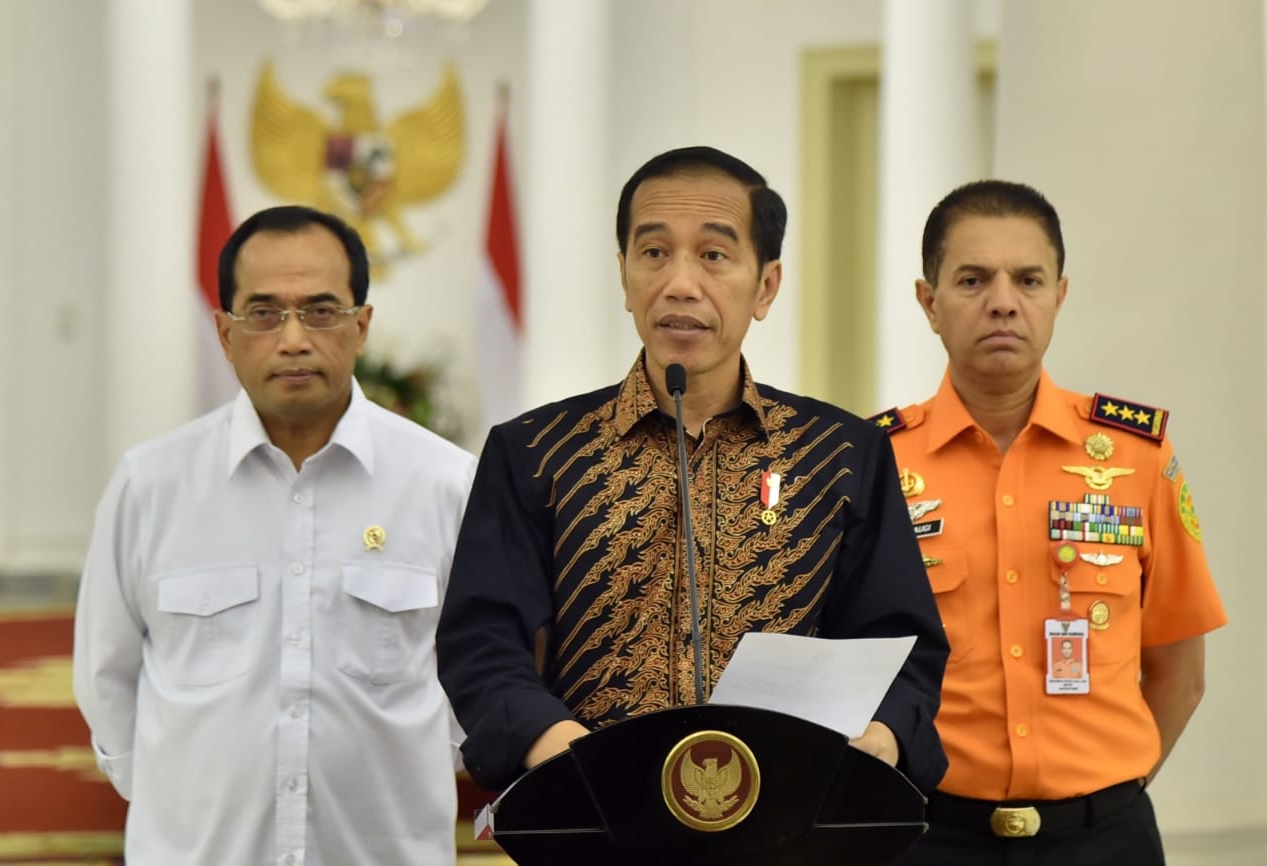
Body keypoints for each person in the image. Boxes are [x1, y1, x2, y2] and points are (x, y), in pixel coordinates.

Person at [435, 146, 949, 796]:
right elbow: (482, 640)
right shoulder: (536, 452)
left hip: (788, 821)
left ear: (765, 286)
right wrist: (559, 749)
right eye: (653, 253)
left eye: (714, 255)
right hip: (595, 814)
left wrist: (880, 734)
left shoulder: (841, 455)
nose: (680, 283)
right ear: (624, 276)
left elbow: (900, 644)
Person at [72, 205, 475, 866]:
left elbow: (473, 676)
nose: (292, 339)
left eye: (321, 311)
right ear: (225, 332)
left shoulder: (444, 484)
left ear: (362, 326)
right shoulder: (151, 486)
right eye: (263, 314)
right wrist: (181, 806)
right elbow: (106, 676)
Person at [878, 180, 1227, 864]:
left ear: (1058, 297)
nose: (1003, 301)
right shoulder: (877, 465)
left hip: (1106, 839)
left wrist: (1098, 800)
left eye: (1028, 279)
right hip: (928, 839)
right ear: (929, 302)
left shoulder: (1137, 457)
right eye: (973, 279)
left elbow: (1180, 674)